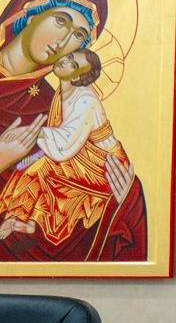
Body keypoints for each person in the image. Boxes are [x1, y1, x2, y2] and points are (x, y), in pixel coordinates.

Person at [0, 0, 145, 262]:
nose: (64, 39)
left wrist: (127, 199)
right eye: (60, 20)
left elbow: (85, 173)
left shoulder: (55, 104)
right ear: (28, 11)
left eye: (78, 34)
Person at [0, 51, 135, 249]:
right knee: (32, 169)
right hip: (81, 156)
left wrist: (34, 132)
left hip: (105, 164)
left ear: (78, 76)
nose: (65, 61)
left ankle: (21, 219)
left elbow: (65, 144)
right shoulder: (62, 93)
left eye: (73, 64)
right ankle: (25, 223)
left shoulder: (85, 100)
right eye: (69, 57)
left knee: (39, 170)